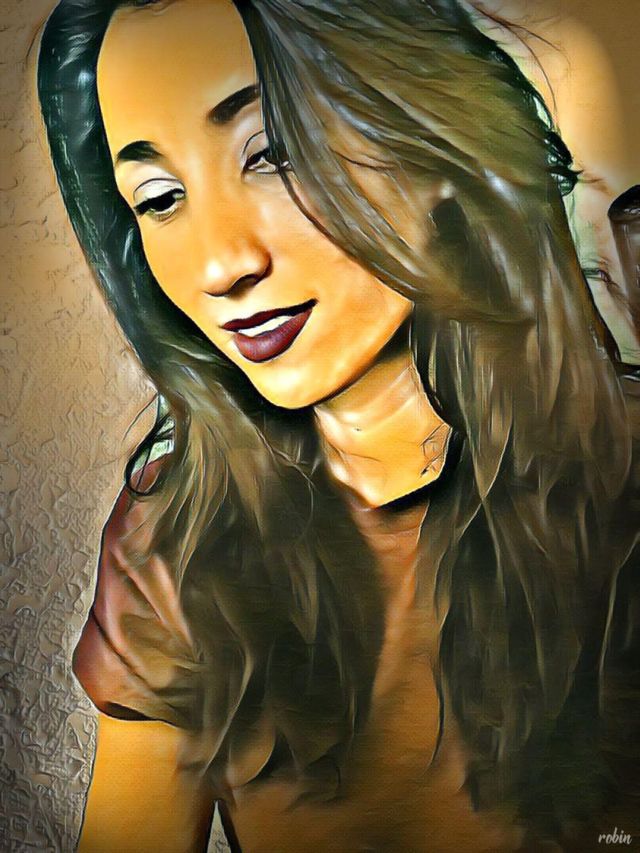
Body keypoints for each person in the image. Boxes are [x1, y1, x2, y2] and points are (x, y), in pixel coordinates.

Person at [37, 0, 639, 850]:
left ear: (428, 136)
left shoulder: (622, 474)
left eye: (273, 154)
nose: (222, 265)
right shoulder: (180, 534)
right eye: (161, 198)